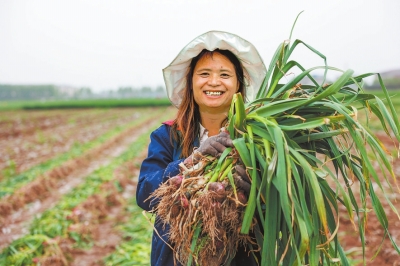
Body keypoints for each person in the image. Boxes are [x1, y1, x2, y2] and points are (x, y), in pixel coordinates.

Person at [136, 30, 267, 266]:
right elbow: (145, 195)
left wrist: (257, 191)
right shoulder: (167, 136)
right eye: (204, 74)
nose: (214, 82)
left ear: (238, 84)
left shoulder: (258, 141)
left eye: (224, 74)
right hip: (175, 259)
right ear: (191, 82)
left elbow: (281, 212)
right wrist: (190, 162)